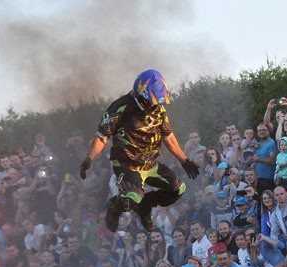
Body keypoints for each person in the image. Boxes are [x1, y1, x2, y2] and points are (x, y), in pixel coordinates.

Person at [79, 69, 199, 232]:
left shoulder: (160, 109)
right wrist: (89, 159)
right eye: (150, 101)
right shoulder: (120, 107)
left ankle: (146, 206)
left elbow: (169, 137)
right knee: (133, 199)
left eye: (156, 102)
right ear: (139, 94)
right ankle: (113, 207)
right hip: (127, 165)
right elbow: (101, 138)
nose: (153, 106)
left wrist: (185, 161)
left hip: (151, 165)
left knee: (179, 189)